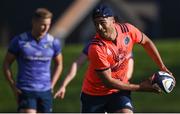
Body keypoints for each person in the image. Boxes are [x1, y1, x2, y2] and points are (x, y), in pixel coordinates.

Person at [57, 4, 174, 113]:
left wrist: (162, 66)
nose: (99, 27)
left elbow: (147, 42)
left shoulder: (127, 30)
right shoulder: (96, 47)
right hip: (94, 95)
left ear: (113, 20)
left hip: (118, 92)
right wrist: (141, 87)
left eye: (102, 22)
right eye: (96, 24)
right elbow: (109, 82)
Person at [3, 8, 63, 113]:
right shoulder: (19, 41)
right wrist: (13, 86)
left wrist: (52, 85)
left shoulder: (53, 42)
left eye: (48, 25)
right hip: (26, 90)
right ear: (34, 22)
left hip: (45, 92)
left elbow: (59, 64)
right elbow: (6, 64)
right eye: (42, 24)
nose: (45, 28)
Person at [54, 42, 134, 99]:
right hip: (95, 92)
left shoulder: (125, 44)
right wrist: (63, 85)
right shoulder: (94, 45)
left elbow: (129, 72)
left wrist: (118, 83)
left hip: (118, 90)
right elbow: (77, 63)